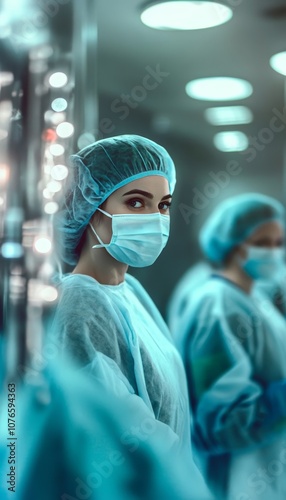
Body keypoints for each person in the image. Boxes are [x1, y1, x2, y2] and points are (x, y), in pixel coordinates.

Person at [48, 134, 212, 497]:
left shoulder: (131, 292)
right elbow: (123, 432)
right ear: (88, 207)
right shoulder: (80, 301)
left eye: (164, 205)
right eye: (136, 202)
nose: (155, 219)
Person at [174, 193, 286, 500]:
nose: (274, 252)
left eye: (279, 243)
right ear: (233, 245)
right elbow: (221, 424)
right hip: (236, 483)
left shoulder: (255, 300)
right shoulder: (216, 306)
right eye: (263, 243)